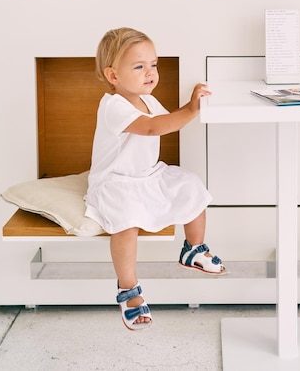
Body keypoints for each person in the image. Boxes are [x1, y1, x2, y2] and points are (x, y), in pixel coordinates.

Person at [85, 27, 226, 331]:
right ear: (113, 76)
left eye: (154, 64)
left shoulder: (147, 100)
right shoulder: (113, 106)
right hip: (115, 182)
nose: (150, 73)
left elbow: (162, 121)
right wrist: (190, 108)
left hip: (147, 174)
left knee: (192, 186)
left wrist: (191, 110)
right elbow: (152, 129)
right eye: (139, 66)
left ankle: (193, 247)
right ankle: (128, 287)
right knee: (126, 221)